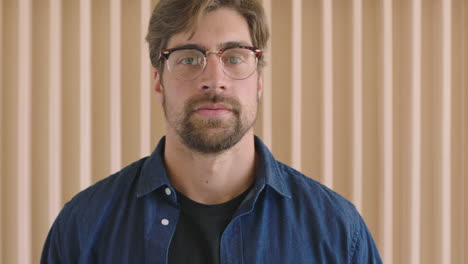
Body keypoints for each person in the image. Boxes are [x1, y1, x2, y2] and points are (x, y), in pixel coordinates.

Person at [41, 0, 382, 263]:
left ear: (259, 80)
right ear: (159, 80)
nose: (214, 80)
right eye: (189, 58)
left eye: (234, 57)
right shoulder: (84, 228)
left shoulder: (336, 231)